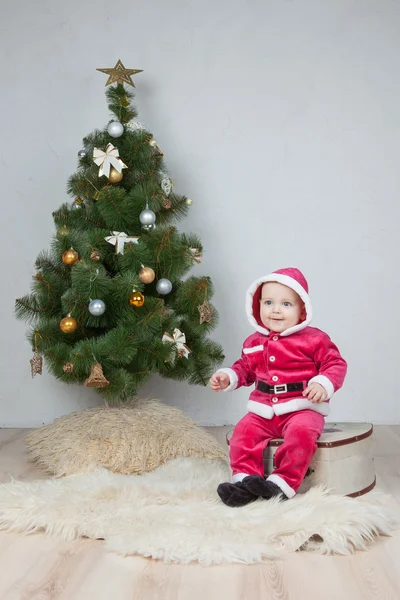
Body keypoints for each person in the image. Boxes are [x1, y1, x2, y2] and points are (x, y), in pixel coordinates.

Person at [209, 267, 347, 507]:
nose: (275, 310)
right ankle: (244, 481)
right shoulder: (253, 342)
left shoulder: (315, 339)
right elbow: (245, 369)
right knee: (243, 433)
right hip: (264, 410)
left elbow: (335, 364)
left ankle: (282, 482)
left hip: (303, 409)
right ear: (257, 305)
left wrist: (323, 383)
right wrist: (229, 376)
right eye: (269, 302)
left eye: (286, 304)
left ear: (302, 309)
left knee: (301, 435)